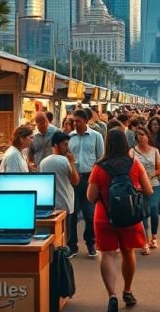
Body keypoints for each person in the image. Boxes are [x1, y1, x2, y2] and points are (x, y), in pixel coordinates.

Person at [88, 129, 153, 312]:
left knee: (107, 254)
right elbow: (148, 191)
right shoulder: (134, 164)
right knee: (128, 252)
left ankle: (112, 295)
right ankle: (128, 290)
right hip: (130, 215)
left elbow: (91, 197)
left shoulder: (99, 167)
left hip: (104, 216)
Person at [69, 109, 105, 258]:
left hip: (89, 178)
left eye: (77, 121)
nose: (75, 123)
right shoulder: (69, 137)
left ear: (85, 121)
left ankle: (91, 243)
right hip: (72, 179)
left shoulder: (96, 137)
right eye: (74, 121)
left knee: (90, 215)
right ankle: (72, 246)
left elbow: (100, 158)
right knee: (72, 214)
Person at [130, 127, 160, 254]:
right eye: (138, 135)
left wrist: (150, 174)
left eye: (143, 135)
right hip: (138, 187)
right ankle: (144, 242)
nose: (141, 137)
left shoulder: (155, 151)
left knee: (154, 210)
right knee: (143, 213)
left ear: (148, 136)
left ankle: (153, 236)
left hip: (154, 185)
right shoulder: (132, 152)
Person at [40, 130, 79, 218]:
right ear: (56, 145)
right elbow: (75, 181)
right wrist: (71, 162)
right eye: (64, 144)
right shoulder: (65, 161)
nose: (67, 148)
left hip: (49, 204)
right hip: (65, 203)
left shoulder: (43, 162)